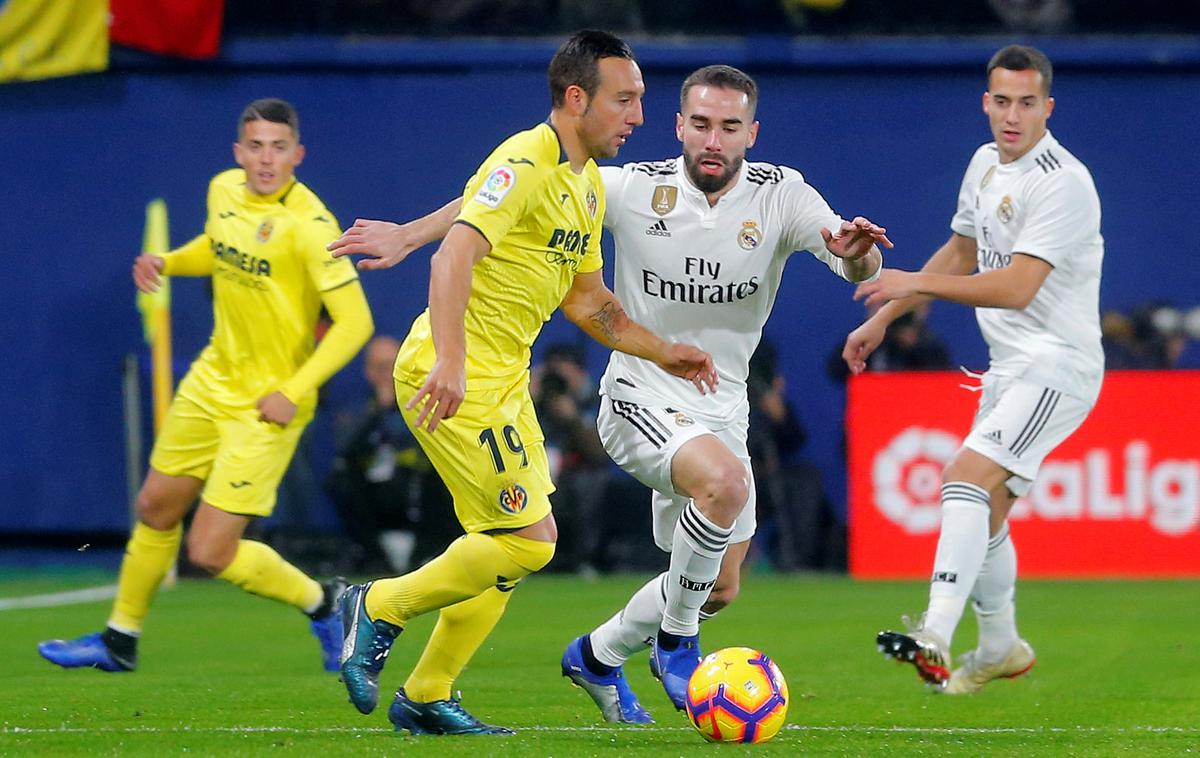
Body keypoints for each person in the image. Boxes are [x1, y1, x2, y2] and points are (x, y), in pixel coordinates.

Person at [331, 63, 889, 722]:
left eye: (729, 127)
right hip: (636, 397)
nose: (713, 139)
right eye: (700, 123)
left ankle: (589, 656)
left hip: (716, 400)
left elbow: (850, 256)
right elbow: (490, 204)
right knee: (543, 536)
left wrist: (859, 256)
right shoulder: (624, 186)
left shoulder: (781, 195)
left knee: (717, 584)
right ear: (681, 127)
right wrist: (410, 233)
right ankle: (674, 644)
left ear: (752, 134)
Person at [330, 30, 717, 736]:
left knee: (501, 550)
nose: (637, 116)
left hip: (501, 380)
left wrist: (666, 352)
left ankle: (427, 692)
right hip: (456, 373)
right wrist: (450, 358)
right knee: (530, 539)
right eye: (625, 100)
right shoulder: (527, 155)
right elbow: (454, 259)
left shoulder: (580, 186)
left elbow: (591, 303)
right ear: (577, 99)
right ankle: (376, 605)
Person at [38, 98, 375, 674]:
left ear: (298, 154)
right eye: (255, 146)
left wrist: (293, 389)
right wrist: (168, 261)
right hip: (211, 381)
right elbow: (218, 251)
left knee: (209, 551)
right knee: (155, 507)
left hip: (269, 404)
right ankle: (120, 640)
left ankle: (326, 603)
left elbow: (356, 324)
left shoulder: (310, 226)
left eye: (278, 147)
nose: (266, 159)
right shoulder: (223, 190)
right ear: (238, 152)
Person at [843, 45, 1104, 694]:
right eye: (1001, 101)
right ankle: (999, 644)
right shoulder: (985, 163)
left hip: (1058, 366)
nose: (1011, 116)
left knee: (962, 476)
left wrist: (906, 278)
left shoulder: (1063, 183)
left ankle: (934, 630)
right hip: (1009, 367)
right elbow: (962, 250)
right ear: (985, 102)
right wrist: (887, 316)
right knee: (984, 510)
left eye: (1026, 103)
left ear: (1048, 106)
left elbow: (1017, 287)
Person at [325, 335, 458, 574]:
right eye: (381, 367)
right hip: (374, 497)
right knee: (340, 481)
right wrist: (378, 411)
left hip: (417, 492)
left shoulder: (425, 406)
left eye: (393, 364)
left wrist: (399, 403)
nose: (387, 373)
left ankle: (430, 553)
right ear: (369, 371)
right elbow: (347, 451)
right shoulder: (355, 413)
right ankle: (372, 557)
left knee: (443, 475)